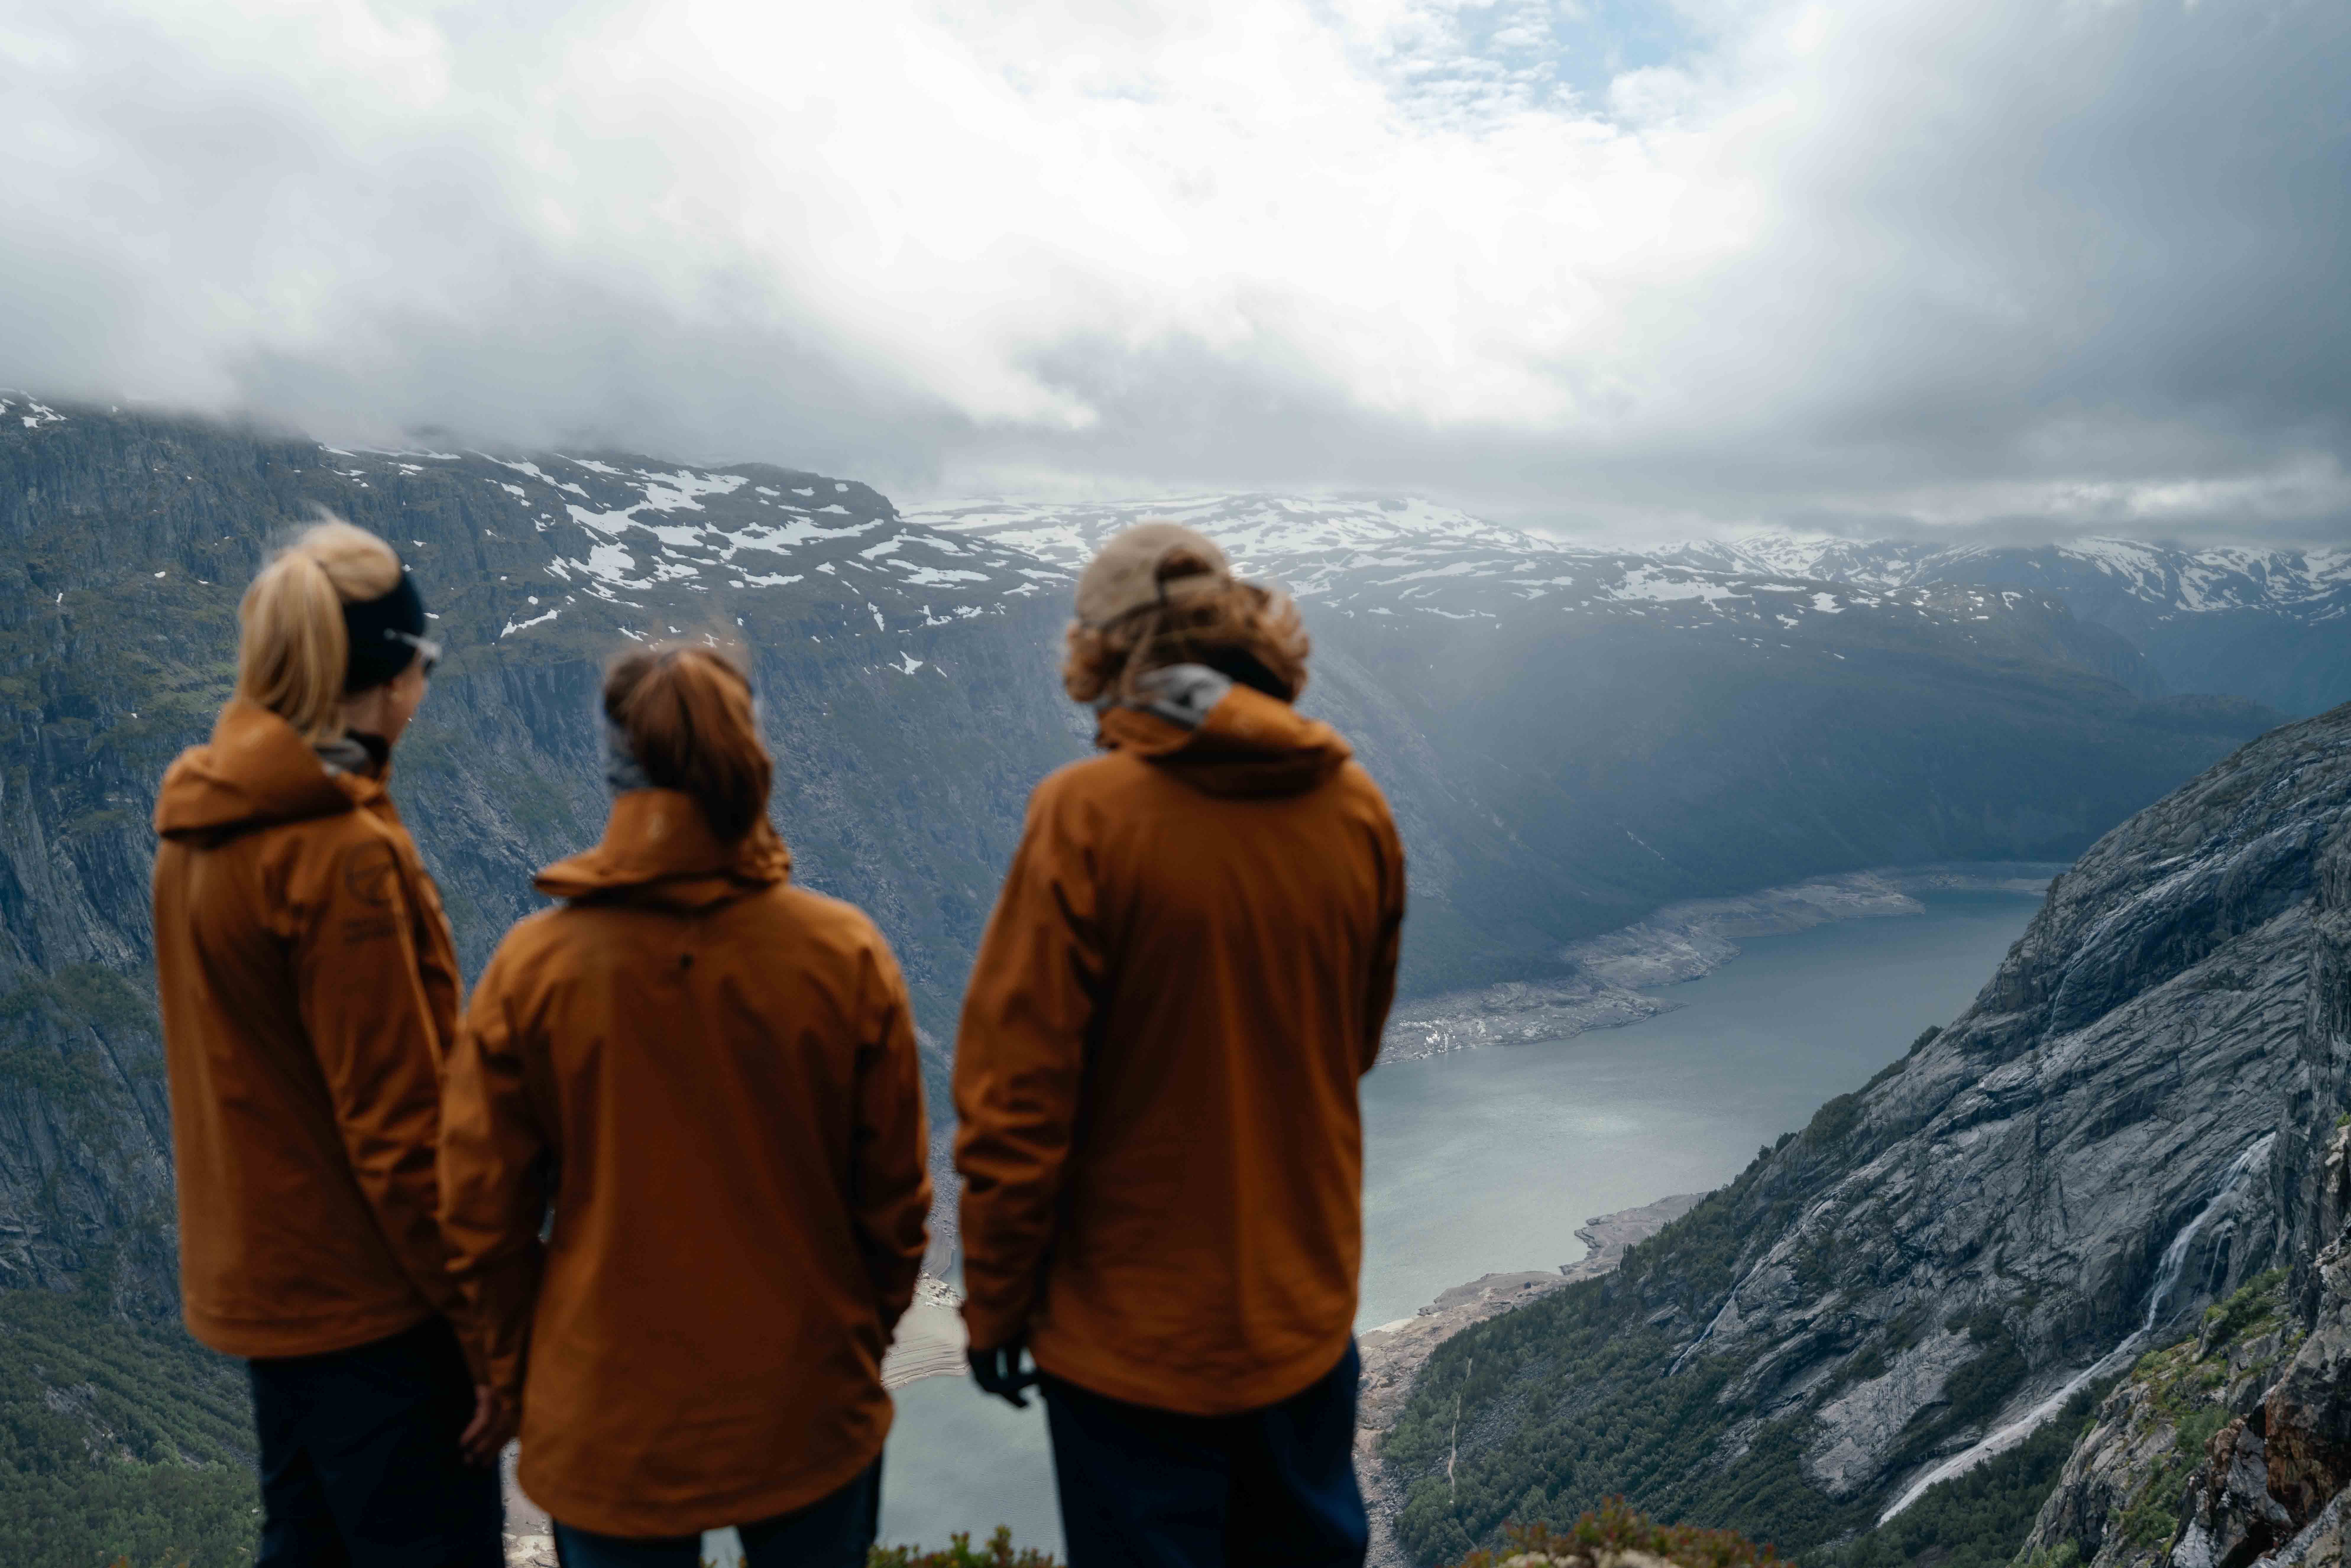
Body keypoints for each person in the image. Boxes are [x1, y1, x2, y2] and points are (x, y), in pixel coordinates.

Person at [954, 522, 1407, 1568]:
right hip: (1300, 1319)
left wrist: (996, 1308)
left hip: (1132, 1351)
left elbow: (1015, 1103)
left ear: (1106, 652)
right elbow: (1353, 1047)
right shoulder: (1353, 807)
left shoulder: (1087, 817)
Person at [437, 644, 932, 1568]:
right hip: (807, 1402)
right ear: (751, 760)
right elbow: (895, 1202)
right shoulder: (841, 955)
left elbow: (480, 1217)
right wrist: (858, 1340)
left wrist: (516, 1373)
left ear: (613, 767)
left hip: (607, 1416)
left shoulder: (537, 970)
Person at [151, 518, 501, 1568]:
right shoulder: (341, 857)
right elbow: (400, 1130)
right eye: (425, 662)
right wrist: (485, 1331)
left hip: (269, 1301)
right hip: (379, 1314)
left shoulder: (198, 831)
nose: (425, 688)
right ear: (389, 678)